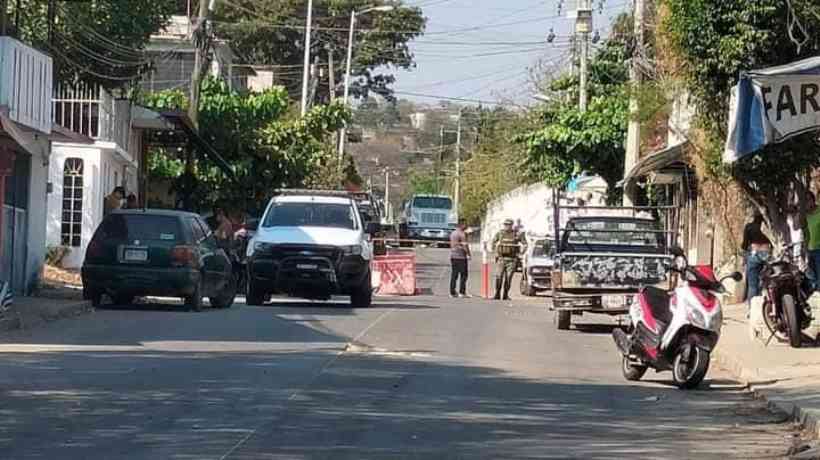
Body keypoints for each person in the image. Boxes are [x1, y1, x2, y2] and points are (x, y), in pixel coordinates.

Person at [741, 211, 772, 306]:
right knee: (767, 283)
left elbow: (745, 244)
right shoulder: (769, 227)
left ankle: (752, 308)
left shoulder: (749, 227)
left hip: (754, 254)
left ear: (753, 217)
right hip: (767, 254)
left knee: (752, 284)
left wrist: (744, 257)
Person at [492, 219, 527, 301]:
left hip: (512, 259)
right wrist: (495, 252)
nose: (507, 226)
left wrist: (521, 253)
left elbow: (525, 244)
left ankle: (505, 294)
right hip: (501, 258)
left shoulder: (517, 234)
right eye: (505, 224)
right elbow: (493, 242)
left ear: (512, 225)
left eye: (509, 225)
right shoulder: (500, 233)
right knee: (499, 277)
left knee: (508, 278)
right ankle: (497, 294)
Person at [449, 220, 471, 298]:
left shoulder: (453, 233)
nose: (467, 226)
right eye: (466, 225)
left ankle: (452, 292)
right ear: (462, 225)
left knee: (454, 274)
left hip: (453, 256)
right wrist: (468, 254)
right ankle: (462, 292)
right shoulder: (462, 234)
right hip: (461, 257)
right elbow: (465, 246)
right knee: (464, 275)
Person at [805, 192, 820, 289]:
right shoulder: (805, 216)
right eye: (804, 201)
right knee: (812, 278)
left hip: (819, 250)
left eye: (808, 199)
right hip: (810, 251)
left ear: (813, 200)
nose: (807, 203)